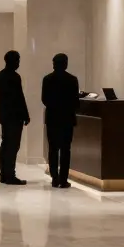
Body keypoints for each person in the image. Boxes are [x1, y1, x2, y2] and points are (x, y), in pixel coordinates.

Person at [41, 53, 80, 188]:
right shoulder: (72, 80)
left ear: (54, 64)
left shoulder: (47, 79)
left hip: (52, 118)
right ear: (66, 64)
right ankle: (63, 179)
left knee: (53, 149)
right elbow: (76, 101)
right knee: (65, 149)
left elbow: (44, 99)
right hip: (67, 119)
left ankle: (54, 177)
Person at [0, 50, 31, 185]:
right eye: (18, 60)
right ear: (13, 61)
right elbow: (19, 98)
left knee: (5, 145)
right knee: (13, 146)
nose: (18, 63)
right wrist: (26, 115)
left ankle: (4, 174)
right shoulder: (14, 77)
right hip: (15, 117)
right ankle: (10, 175)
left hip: (5, 116)